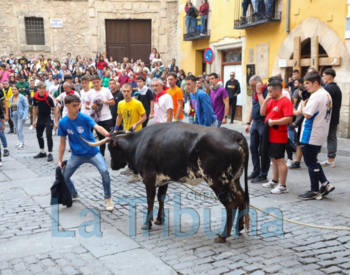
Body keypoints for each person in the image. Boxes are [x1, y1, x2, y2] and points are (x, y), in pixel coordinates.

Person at [58, 94, 114, 211]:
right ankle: (73, 193)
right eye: (74, 106)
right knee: (65, 176)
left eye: (78, 105)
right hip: (76, 155)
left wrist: (108, 135)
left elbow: (97, 127)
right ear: (67, 106)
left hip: (93, 152)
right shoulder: (63, 123)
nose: (77, 108)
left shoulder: (84, 118)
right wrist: (59, 161)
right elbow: (62, 143)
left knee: (105, 172)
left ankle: (108, 198)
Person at [298, 72, 334, 200]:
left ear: (315, 83)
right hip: (320, 132)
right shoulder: (326, 94)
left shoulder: (316, 96)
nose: (305, 86)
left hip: (310, 133)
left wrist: (303, 104)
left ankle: (314, 191)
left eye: (307, 83)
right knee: (314, 160)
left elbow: (307, 114)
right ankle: (325, 184)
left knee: (311, 163)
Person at [260, 79, 294, 194]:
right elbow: (262, 113)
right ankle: (274, 180)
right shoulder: (271, 100)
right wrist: (265, 100)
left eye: (270, 91)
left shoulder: (285, 102)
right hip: (269, 134)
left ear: (277, 90)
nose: (269, 93)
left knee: (280, 160)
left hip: (279, 135)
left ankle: (283, 186)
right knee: (273, 159)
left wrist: (274, 122)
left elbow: (289, 118)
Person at [114, 83, 147, 183]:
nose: (126, 93)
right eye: (124, 91)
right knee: (126, 152)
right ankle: (131, 168)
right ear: (122, 92)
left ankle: (136, 174)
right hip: (126, 131)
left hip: (137, 133)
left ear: (131, 91)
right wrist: (116, 128)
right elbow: (119, 116)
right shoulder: (120, 103)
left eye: (128, 91)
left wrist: (136, 124)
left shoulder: (137, 103)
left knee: (134, 153)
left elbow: (144, 117)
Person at [245, 75, 270, 183]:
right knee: (253, 148)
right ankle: (256, 170)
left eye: (252, 86)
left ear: (259, 84)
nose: (251, 88)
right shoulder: (254, 94)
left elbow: (264, 107)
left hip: (263, 123)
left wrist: (259, 92)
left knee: (264, 150)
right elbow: (252, 108)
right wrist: (248, 122)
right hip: (255, 123)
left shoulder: (266, 92)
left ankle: (263, 174)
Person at [85, 75, 115, 157]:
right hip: (97, 119)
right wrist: (91, 106)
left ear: (100, 81)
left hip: (107, 118)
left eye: (97, 82)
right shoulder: (90, 93)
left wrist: (104, 102)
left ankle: (113, 155)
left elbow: (112, 102)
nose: (96, 84)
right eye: (94, 82)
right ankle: (102, 156)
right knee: (101, 139)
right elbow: (86, 106)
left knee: (110, 138)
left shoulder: (106, 91)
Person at [321, 68, 342, 168]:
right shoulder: (337, 88)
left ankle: (329, 159)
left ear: (329, 77)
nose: (322, 78)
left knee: (322, 136)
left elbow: (325, 104)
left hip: (327, 117)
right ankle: (331, 159)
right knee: (332, 137)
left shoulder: (327, 88)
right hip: (334, 117)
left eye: (324, 76)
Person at [32, 82, 58, 162]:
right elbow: (34, 108)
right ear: (38, 89)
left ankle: (50, 153)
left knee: (48, 135)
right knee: (39, 135)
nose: (42, 90)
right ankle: (42, 152)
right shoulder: (35, 97)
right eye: (40, 88)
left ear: (45, 89)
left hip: (48, 118)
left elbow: (55, 109)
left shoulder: (49, 98)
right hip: (40, 118)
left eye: (43, 88)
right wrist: (33, 121)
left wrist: (56, 122)